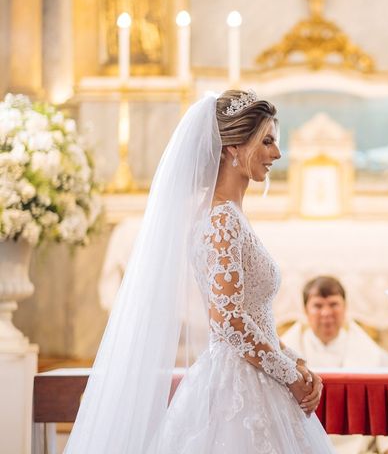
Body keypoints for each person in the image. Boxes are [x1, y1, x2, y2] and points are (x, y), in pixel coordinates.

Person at [65, 91, 336, 453]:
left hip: (257, 375)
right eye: (267, 141)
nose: (277, 154)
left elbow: (252, 319)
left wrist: (296, 363)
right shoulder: (221, 219)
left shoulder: (231, 215)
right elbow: (227, 320)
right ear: (233, 148)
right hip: (239, 388)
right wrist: (288, 375)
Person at [282, 276, 388, 454]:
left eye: (333, 304)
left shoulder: (378, 359)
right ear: (305, 311)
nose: (326, 312)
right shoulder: (284, 356)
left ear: (345, 307)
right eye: (318, 306)